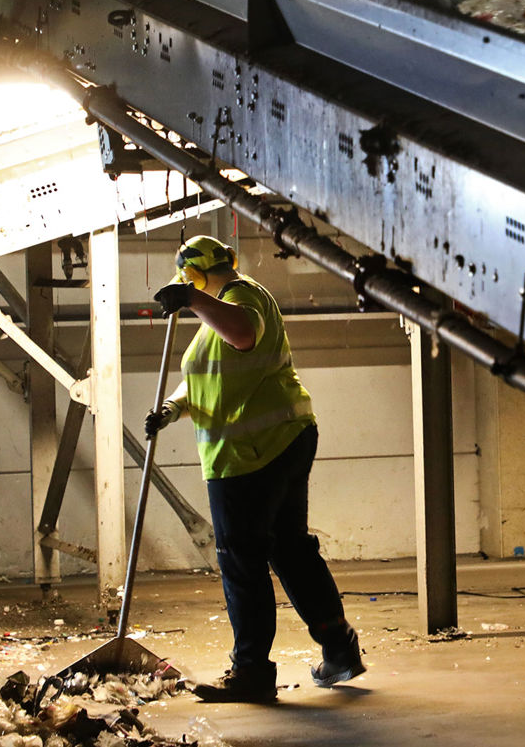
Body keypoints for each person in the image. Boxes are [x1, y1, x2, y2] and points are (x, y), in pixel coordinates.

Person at [146, 235, 365, 702]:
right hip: (275, 443)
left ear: (194, 275)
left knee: (242, 561)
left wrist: (190, 299)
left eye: (187, 280)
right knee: (290, 551)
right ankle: (339, 650)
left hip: (250, 454)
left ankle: (251, 672)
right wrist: (170, 407)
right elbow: (211, 381)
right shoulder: (215, 315)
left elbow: (244, 334)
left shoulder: (242, 295)